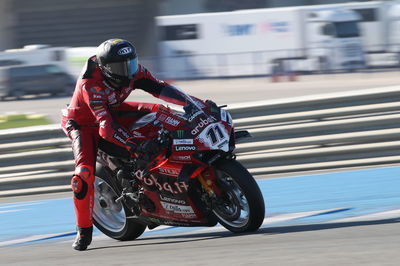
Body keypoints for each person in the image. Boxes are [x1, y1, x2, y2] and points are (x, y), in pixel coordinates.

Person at [61, 39, 195, 251]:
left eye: (130, 64)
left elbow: (159, 87)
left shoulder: (135, 71)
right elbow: (105, 126)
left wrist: (192, 104)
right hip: (85, 124)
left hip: (113, 110)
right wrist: (134, 145)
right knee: (83, 175)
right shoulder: (91, 84)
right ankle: (83, 231)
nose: (127, 71)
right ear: (105, 68)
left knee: (161, 112)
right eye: (119, 67)